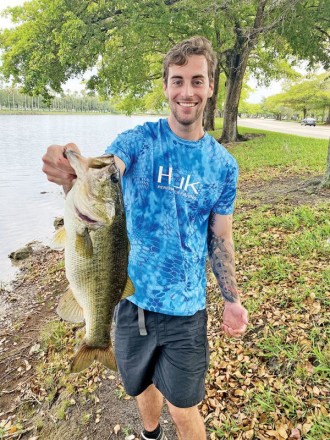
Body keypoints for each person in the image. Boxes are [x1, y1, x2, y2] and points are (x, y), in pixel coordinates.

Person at [42, 36, 248, 440]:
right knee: (141, 388)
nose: (186, 92)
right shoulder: (138, 141)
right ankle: (150, 435)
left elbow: (220, 236)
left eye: (196, 80)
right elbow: (107, 170)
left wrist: (232, 299)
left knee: (184, 408)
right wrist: (69, 166)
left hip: (187, 310)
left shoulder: (224, 165)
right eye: (177, 81)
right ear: (166, 86)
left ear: (210, 87)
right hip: (129, 301)